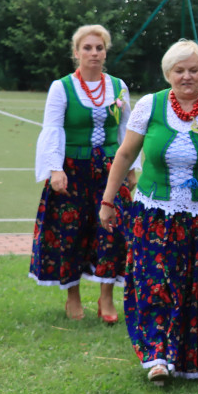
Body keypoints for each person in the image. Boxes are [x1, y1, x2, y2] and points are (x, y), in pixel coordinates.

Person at [99, 39, 198, 386]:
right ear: (168, 74)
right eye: (179, 70)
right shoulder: (150, 105)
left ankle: (189, 357)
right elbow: (125, 154)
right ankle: (158, 356)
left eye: (194, 70)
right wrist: (107, 200)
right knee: (155, 282)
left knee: (193, 286)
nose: (187, 76)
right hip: (153, 213)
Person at [30, 24, 137, 323]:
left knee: (113, 231)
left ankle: (106, 298)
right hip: (72, 170)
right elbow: (51, 129)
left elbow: (126, 129)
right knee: (71, 233)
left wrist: (131, 167)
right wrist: (55, 169)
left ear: (106, 52)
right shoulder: (61, 87)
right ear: (76, 53)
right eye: (87, 48)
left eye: (99, 48)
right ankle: (73, 297)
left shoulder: (118, 86)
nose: (94, 53)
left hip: (109, 169)